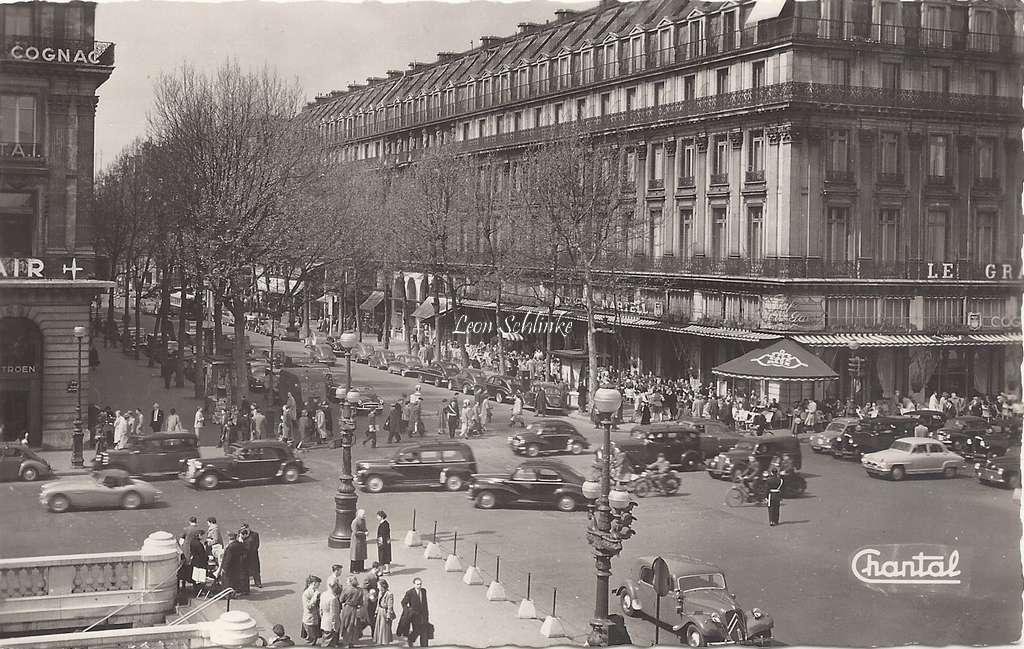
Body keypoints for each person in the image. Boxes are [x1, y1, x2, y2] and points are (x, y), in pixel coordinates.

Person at [398, 577, 431, 647]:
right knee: (416, 630)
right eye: (417, 584)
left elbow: (425, 603)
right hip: (414, 616)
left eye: (420, 584)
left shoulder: (424, 591)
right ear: (414, 584)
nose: (419, 586)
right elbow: (403, 602)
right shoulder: (410, 592)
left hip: (423, 615)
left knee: (424, 631)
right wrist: (408, 611)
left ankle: (424, 646)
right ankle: (410, 638)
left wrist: (427, 614)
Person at [339, 576, 365, 647]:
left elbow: (341, 599)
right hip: (355, 609)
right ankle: (351, 642)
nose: (346, 582)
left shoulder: (346, 589)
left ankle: (346, 642)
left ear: (350, 582)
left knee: (346, 624)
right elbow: (361, 602)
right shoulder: (360, 590)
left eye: (347, 580)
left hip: (347, 608)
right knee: (353, 625)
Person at [220, 532, 248, 596]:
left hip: (230, 567)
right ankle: (235, 591)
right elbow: (244, 553)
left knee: (228, 580)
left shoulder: (230, 547)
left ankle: (228, 594)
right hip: (237, 565)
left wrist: (224, 568)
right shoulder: (240, 544)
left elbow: (228, 559)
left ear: (230, 538)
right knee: (235, 579)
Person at [301, 575, 323, 645]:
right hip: (310, 620)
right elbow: (308, 607)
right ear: (314, 583)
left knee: (314, 639)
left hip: (315, 619)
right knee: (311, 640)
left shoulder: (314, 591)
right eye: (318, 583)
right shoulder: (307, 593)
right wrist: (315, 596)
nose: (319, 585)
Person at [373, 578, 395, 645]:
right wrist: (376, 611)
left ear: (383, 586)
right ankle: (380, 640)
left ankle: (385, 641)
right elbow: (378, 602)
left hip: (384, 611)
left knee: (384, 626)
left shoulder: (389, 594)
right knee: (379, 625)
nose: (377, 587)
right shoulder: (380, 592)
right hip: (380, 610)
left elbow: (390, 606)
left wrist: (388, 615)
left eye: (378, 586)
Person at [239, 523, 261, 589]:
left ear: (248, 528)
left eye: (244, 528)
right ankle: (246, 585)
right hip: (245, 555)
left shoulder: (254, 534)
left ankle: (258, 582)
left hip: (253, 554)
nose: (243, 530)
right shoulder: (240, 534)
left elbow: (257, 544)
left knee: (255, 569)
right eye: (242, 529)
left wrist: (252, 551)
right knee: (245, 570)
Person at [320, 582, 342, 647]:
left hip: (324, 621)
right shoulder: (333, 599)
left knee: (325, 641)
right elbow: (334, 614)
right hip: (331, 625)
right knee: (329, 644)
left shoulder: (323, 594)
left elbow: (321, 609)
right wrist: (335, 626)